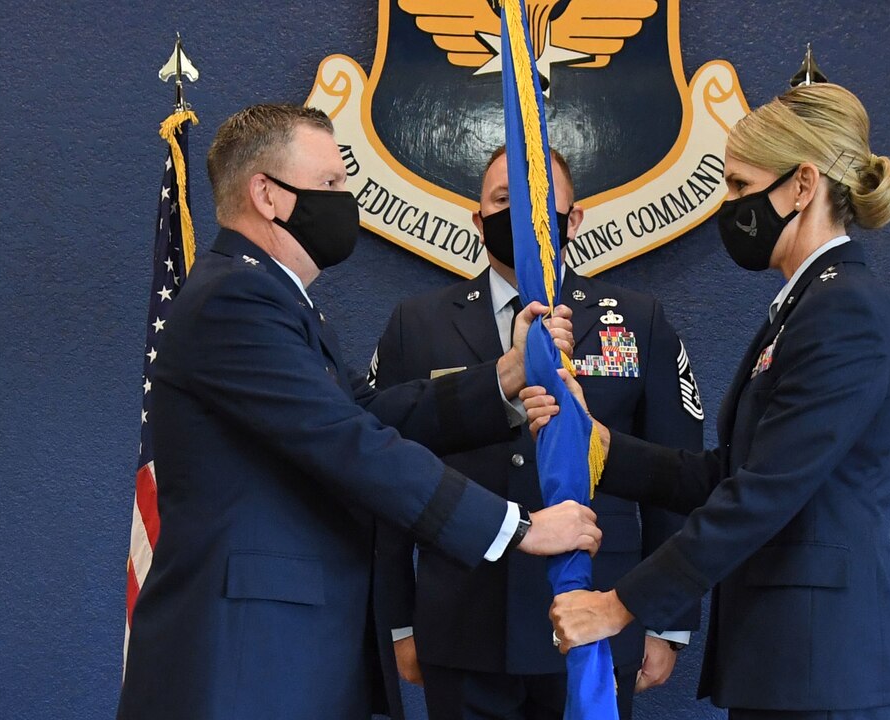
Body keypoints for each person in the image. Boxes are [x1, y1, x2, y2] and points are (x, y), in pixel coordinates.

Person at [117, 104, 603, 720]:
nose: (346, 200)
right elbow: (352, 443)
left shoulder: (275, 298)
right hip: (249, 657)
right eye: (330, 185)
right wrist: (520, 528)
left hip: (285, 649)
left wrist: (502, 378)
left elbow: (368, 413)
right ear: (267, 195)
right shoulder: (235, 299)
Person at [527, 82, 890, 720]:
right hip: (784, 660)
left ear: (802, 186)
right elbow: (728, 474)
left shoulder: (844, 312)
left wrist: (617, 605)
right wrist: (601, 446)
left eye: (738, 185)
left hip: (817, 668)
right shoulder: (806, 305)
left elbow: (762, 495)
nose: (726, 205)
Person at [369, 146, 704, 719]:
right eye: (503, 201)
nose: (522, 216)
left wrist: (667, 621)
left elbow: (675, 473)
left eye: (542, 202)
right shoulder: (416, 324)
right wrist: (399, 619)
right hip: (463, 620)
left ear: (574, 220)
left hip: (593, 614)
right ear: (477, 220)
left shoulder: (635, 318)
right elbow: (384, 475)